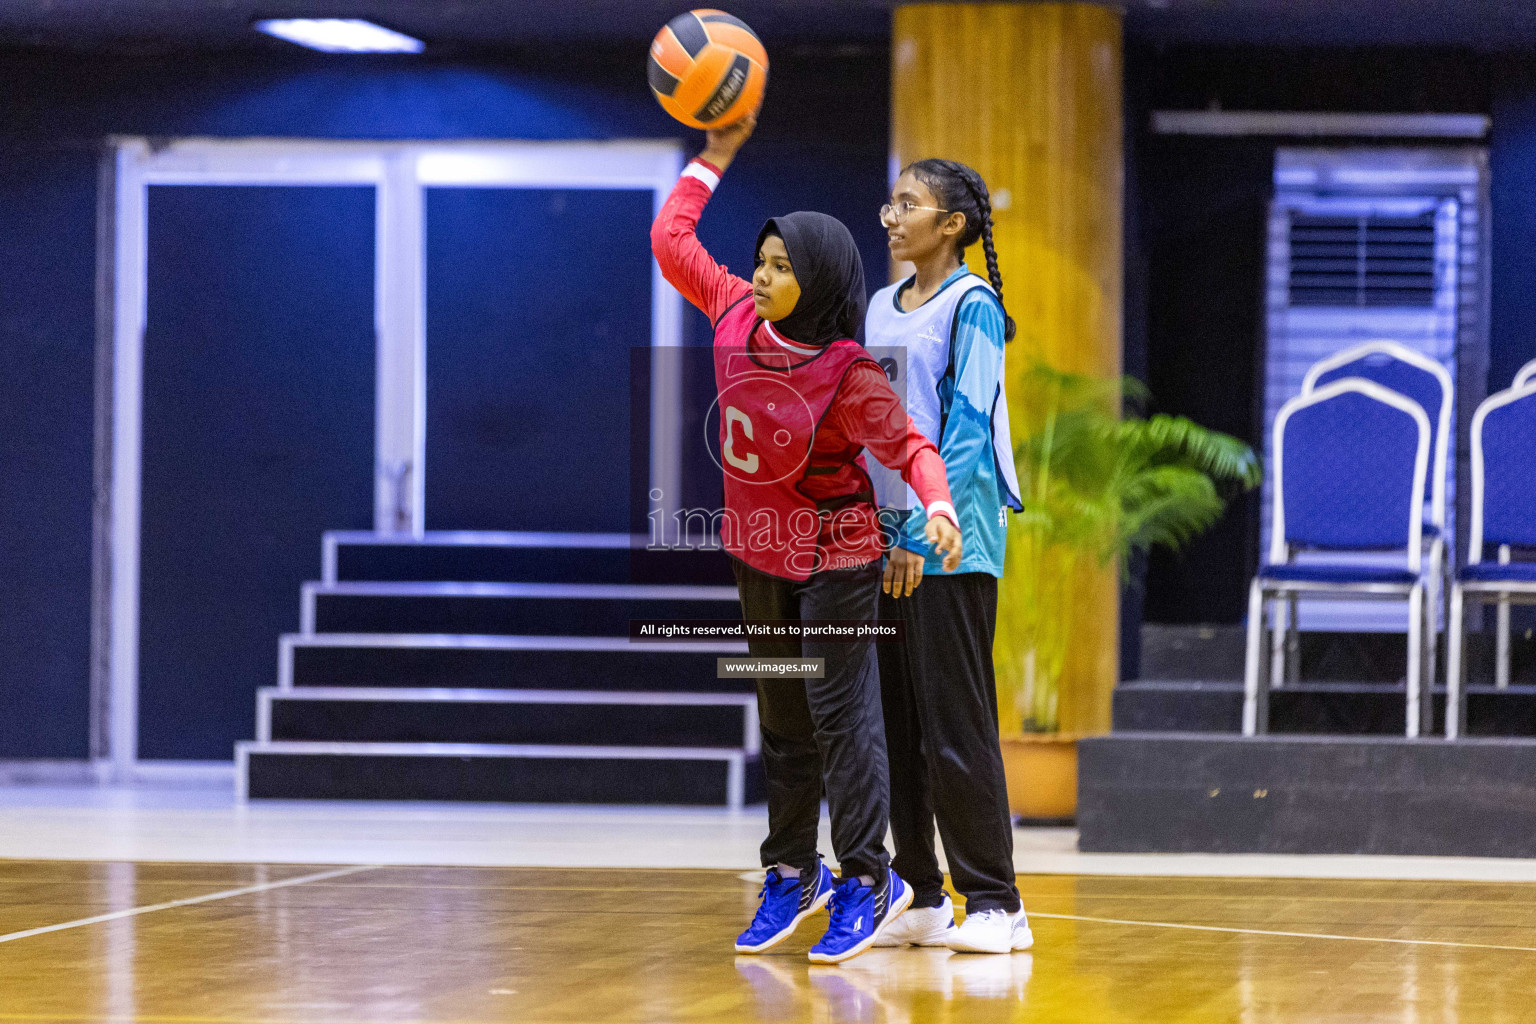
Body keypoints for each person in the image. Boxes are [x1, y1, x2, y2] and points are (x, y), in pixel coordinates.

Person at [650, 116, 964, 965]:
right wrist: (712, 160)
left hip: (839, 554)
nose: (760, 275)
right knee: (781, 720)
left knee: (839, 715)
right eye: (760, 260)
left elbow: (909, 447)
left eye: (782, 267)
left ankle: (869, 876)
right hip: (759, 552)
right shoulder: (727, 312)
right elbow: (669, 235)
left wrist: (936, 507)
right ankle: (793, 870)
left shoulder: (850, 371)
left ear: (819, 281)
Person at [865, 158, 1033, 954]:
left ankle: (997, 903)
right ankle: (924, 893)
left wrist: (915, 530)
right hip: (883, 541)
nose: (891, 215)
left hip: (950, 543)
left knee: (956, 726)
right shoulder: (878, 305)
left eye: (909, 204)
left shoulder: (975, 306)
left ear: (952, 225)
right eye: (891, 202)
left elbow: (965, 431)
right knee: (898, 728)